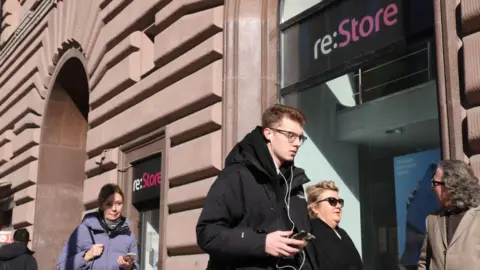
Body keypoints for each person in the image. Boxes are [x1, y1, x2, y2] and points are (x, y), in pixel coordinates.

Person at [196, 104, 317, 270]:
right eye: (290, 135)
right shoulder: (236, 175)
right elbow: (207, 234)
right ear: (268, 133)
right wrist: (262, 243)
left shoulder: (294, 182)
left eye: (300, 138)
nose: (296, 143)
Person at [56, 184, 139, 269]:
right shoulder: (84, 231)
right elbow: (61, 266)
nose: (114, 209)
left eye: (119, 203)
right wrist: (87, 255)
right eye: (109, 204)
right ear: (102, 205)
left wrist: (129, 267)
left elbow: (136, 267)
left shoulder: (128, 236)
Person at [418, 160, 480, 270]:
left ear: (451, 185)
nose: (432, 188)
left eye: (435, 183)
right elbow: (424, 262)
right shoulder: (432, 219)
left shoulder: (477, 217)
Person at [306, 181, 363, 270]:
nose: (338, 206)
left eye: (339, 201)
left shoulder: (342, 233)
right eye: (332, 201)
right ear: (315, 208)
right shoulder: (312, 232)